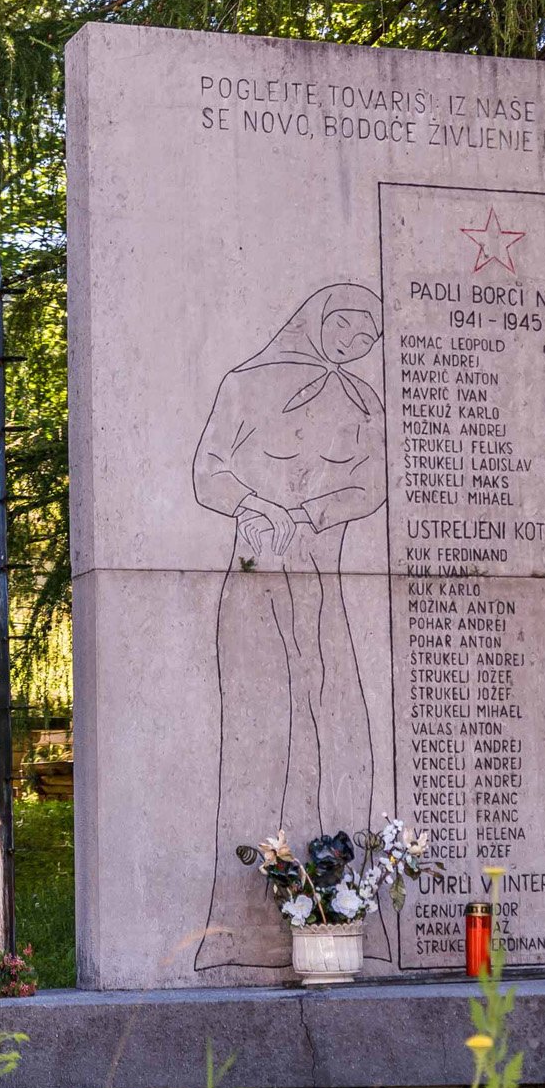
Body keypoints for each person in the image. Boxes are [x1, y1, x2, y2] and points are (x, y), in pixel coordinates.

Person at [191, 283, 388, 979]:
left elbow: (372, 485)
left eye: (367, 338)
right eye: (346, 327)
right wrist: (256, 504)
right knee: (258, 732)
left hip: (323, 587)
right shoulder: (245, 384)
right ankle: (237, 937)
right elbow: (208, 470)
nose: (353, 343)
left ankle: (342, 911)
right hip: (253, 584)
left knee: (337, 730)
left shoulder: (365, 403)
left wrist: (311, 513)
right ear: (314, 320)